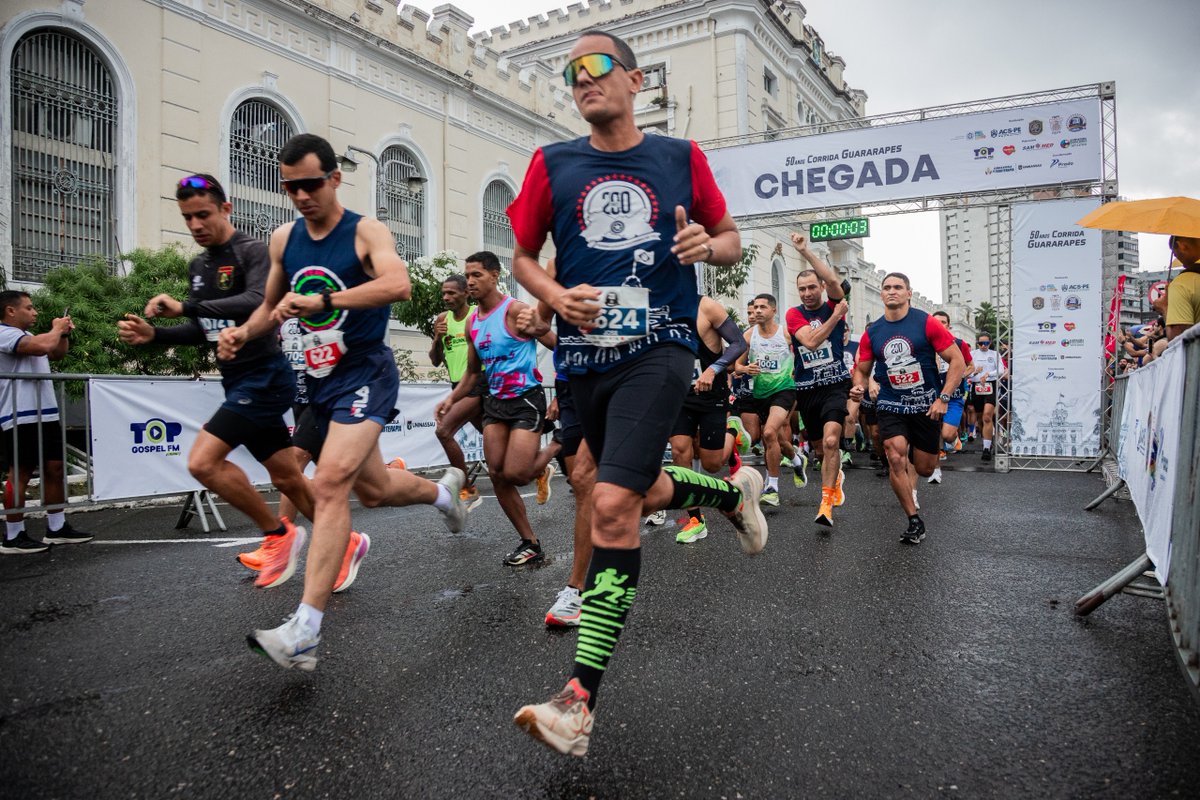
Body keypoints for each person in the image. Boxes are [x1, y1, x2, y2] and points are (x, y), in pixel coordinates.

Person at [506, 29, 768, 757]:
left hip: (660, 348)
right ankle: (727, 496)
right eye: (571, 73)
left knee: (613, 507)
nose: (581, 80)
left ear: (633, 78)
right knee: (637, 487)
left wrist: (704, 248)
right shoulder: (551, 164)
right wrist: (558, 297)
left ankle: (577, 701)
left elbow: (731, 238)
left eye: (594, 68)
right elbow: (523, 258)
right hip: (583, 359)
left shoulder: (679, 158)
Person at [218, 133, 467, 671]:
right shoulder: (284, 239)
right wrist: (245, 332)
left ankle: (305, 629)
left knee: (328, 484)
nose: (302, 196)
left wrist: (325, 300)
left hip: (365, 372)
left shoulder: (365, 230)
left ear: (334, 178)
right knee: (374, 491)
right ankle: (444, 494)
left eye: (311, 184)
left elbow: (399, 285)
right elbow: (272, 306)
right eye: (291, 188)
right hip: (317, 378)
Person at [117, 174, 320, 588]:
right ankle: (347, 541)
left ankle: (279, 537)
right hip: (238, 381)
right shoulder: (200, 266)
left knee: (203, 462)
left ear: (226, 209)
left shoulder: (251, 251)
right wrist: (155, 335)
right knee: (287, 477)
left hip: (265, 377)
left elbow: (258, 303)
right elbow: (204, 328)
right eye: (187, 217)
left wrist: (186, 306)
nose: (195, 225)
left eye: (203, 214)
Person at [435, 251, 560, 566]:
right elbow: (473, 374)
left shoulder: (516, 311)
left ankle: (559, 443)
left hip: (526, 399)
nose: (470, 281)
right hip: (495, 403)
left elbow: (558, 345)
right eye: (468, 275)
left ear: (494, 276)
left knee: (517, 473)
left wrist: (564, 391)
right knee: (497, 475)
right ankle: (530, 543)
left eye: (477, 274)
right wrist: (451, 399)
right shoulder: (473, 323)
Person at [851, 272, 965, 544]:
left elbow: (957, 361)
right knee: (894, 455)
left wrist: (944, 398)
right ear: (881, 294)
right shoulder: (873, 332)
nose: (892, 291)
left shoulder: (925, 323)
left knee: (925, 469)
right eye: (887, 287)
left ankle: (920, 452)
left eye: (898, 287)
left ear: (909, 293)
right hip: (891, 403)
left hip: (926, 405)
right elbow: (862, 369)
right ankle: (914, 520)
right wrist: (859, 384)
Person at [0, 292, 91, 554]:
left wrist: (62, 334)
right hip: (19, 414)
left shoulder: (30, 337)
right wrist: (55, 329)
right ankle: (14, 535)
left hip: (46, 412)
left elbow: (57, 353)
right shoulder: (5, 334)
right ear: (11, 311)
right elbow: (41, 347)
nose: (35, 312)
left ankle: (57, 528)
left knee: (55, 468)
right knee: (21, 473)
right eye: (29, 308)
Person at [667, 295, 749, 543]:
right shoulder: (655, 308)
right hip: (679, 394)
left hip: (710, 394)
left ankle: (733, 431)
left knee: (712, 464)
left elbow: (738, 343)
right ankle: (696, 520)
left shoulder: (705, 306)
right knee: (680, 450)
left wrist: (715, 368)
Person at [785, 233, 850, 527]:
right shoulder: (793, 314)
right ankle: (834, 476)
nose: (807, 293)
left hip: (835, 385)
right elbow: (810, 343)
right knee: (822, 450)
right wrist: (836, 317)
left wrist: (805, 251)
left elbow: (835, 283)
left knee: (833, 440)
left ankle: (825, 504)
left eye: (812, 287)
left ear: (822, 288)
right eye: (802, 289)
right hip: (807, 389)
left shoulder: (832, 298)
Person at [735, 294, 797, 508]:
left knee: (769, 433)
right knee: (777, 439)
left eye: (763, 307)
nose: (758, 311)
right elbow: (735, 365)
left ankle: (772, 487)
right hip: (761, 392)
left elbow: (804, 353)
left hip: (784, 389)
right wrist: (744, 368)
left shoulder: (787, 334)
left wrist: (797, 371)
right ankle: (797, 459)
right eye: (755, 307)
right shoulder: (749, 336)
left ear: (773, 310)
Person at [429, 274, 484, 510]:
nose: (446, 297)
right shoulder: (442, 320)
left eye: (451, 292)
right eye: (444, 293)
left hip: (479, 383)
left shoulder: (477, 315)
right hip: (457, 386)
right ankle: (539, 468)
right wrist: (437, 338)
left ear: (465, 293)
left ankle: (466, 489)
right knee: (493, 443)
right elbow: (434, 361)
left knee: (443, 430)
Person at [927, 310, 973, 485]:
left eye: (943, 322)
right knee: (934, 433)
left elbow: (971, 367)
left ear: (948, 325)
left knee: (946, 435)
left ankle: (954, 440)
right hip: (932, 396)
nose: (939, 325)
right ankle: (936, 470)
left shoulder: (959, 344)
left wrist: (956, 376)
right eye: (936, 321)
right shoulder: (926, 344)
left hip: (953, 397)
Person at [967, 331, 1007, 462]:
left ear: (990, 343)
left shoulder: (995, 354)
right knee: (979, 418)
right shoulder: (972, 354)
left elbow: (1001, 370)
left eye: (986, 343)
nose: (983, 345)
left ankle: (986, 448)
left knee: (987, 416)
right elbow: (965, 372)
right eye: (980, 343)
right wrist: (974, 372)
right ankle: (987, 441)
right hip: (976, 386)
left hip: (991, 385)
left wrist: (988, 374)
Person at [1166, 235, 1200, 341]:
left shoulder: (1182, 284)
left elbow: (1178, 341)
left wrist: (1164, 308)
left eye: (1176, 255)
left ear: (1181, 245)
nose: (1183, 264)